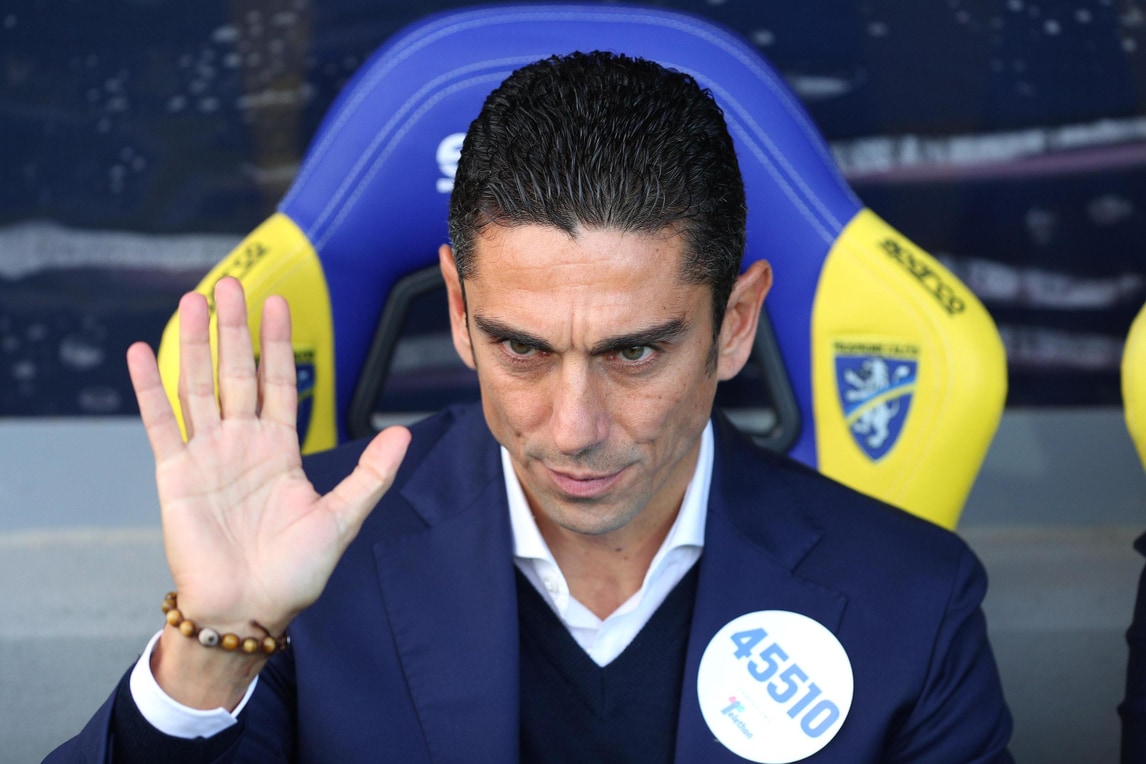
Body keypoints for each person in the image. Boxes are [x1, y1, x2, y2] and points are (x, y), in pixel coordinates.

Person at [48, 51, 1012, 763]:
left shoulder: (912, 599)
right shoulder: (308, 562)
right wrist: (212, 647)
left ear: (735, 324)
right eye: (522, 348)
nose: (572, 427)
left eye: (634, 352)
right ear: (458, 312)